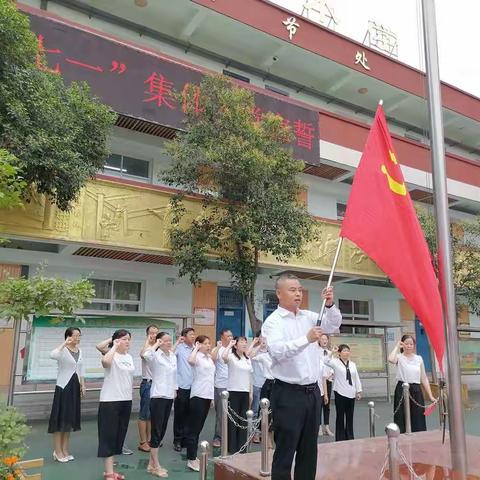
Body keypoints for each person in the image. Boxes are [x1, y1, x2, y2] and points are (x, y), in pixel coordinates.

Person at [262, 273, 342, 480]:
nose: (298, 293)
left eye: (299, 289)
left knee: (309, 450)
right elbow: (278, 351)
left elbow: (333, 324)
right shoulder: (273, 322)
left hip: (312, 392)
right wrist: (305, 339)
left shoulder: (309, 316)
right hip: (288, 394)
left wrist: (331, 304)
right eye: (292, 290)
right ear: (279, 293)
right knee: (286, 449)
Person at [97, 329, 135, 480]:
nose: (127, 342)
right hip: (110, 400)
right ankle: (108, 473)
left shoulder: (129, 357)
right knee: (108, 435)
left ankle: (111, 471)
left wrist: (118, 342)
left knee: (119, 436)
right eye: (124, 339)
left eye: (128, 339)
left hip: (125, 400)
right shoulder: (111, 354)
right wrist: (113, 342)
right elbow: (105, 361)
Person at [142, 331, 177, 478]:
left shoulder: (173, 356)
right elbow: (145, 355)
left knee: (162, 430)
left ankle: (151, 464)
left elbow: (174, 375)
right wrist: (156, 343)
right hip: (158, 396)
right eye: (165, 341)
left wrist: (175, 390)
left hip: (169, 396)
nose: (168, 343)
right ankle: (156, 465)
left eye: (170, 341)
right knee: (156, 431)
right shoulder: (155, 356)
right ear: (160, 342)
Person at [48, 327, 85, 463]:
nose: (77, 338)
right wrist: (64, 343)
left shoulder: (80, 351)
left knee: (69, 420)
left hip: (75, 387)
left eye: (79, 336)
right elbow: (52, 355)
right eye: (74, 336)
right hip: (63, 387)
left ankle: (65, 450)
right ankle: (57, 451)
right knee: (60, 420)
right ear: (68, 337)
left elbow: (81, 369)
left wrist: (83, 384)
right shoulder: (62, 351)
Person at [388, 334, 436, 433]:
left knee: (418, 416)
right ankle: (401, 435)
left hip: (416, 389)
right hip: (402, 388)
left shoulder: (419, 358)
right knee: (401, 415)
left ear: (414, 345)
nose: (409, 346)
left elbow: (424, 378)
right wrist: (397, 345)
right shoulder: (399, 357)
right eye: (406, 344)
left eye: (411, 344)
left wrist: (430, 396)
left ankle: (418, 435)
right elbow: (390, 359)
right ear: (403, 345)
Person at [184, 336, 215, 472]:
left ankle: (193, 456)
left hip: (207, 396)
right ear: (199, 345)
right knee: (193, 429)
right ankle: (191, 459)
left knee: (199, 428)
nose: (208, 346)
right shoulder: (196, 357)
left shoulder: (208, 358)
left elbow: (210, 379)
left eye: (209, 343)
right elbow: (190, 360)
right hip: (198, 396)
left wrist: (212, 398)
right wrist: (195, 348)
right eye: (205, 344)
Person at [324, 344, 362, 441]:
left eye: (348, 351)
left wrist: (358, 391)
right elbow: (325, 361)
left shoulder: (352, 364)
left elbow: (356, 377)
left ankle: (350, 436)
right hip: (340, 392)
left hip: (351, 393)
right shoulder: (335, 362)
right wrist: (332, 352)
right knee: (340, 416)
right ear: (339, 353)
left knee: (350, 416)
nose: (346, 353)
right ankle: (340, 438)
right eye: (344, 351)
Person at [222, 336, 253, 455]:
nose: (244, 344)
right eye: (241, 342)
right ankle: (232, 447)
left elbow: (249, 376)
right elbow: (223, 357)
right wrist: (229, 345)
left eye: (245, 342)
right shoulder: (231, 357)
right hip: (233, 391)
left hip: (245, 392)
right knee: (233, 420)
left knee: (243, 420)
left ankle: (242, 446)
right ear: (236, 345)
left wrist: (250, 393)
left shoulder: (247, 359)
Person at [173, 327, 195, 452]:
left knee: (190, 414)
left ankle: (186, 439)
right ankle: (177, 440)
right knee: (180, 415)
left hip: (194, 387)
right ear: (184, 337)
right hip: (182, 386)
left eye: (194, 334)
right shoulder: (179, 349)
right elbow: (170, 354)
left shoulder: (196, 348)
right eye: (190, 334)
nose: (193, 336)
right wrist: (177, 342)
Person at [138, 324, 159, 453]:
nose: (154, 335)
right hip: (147, 384)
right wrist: (148, 341)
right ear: (147, 334)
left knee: (152, 415)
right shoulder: (147, 347)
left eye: (156, 333)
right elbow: (143, 354)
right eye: (151, 333)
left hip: (157, 384)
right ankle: (143, 442)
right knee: (144, 415)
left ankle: (150, 439)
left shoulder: (158, 348)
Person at [211, 328, 233, 448]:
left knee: (232, 413)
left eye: (231, 336)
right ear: (222, 338)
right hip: (220, 385)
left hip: (233, 385)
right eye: (228, 336)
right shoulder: (218, 349)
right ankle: (217, 437)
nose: (230, 338)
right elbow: (212, 358)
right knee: (220, 413)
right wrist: (218, 347)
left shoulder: (234, 349)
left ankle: (229, 437)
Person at [250, 336, 274, 445]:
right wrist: (259, 345)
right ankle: (260, 435)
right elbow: (250, 355)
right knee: (262, 410)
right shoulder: (263, 356)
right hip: (266, 383)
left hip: (278, 384)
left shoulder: (276, 356)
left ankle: (271, 436)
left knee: (275, 411)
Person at [318, 333, 334, 436]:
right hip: (319, 381)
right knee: (319, 404)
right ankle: (319, 427)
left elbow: (332, 365)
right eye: (322, 339)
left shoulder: (329, 352)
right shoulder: (316, 352)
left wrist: (331, 374)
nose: (324, 340)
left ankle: (327, 426)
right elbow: (322, 363)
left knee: (327, 405)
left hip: (328, 380)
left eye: (326, 339)